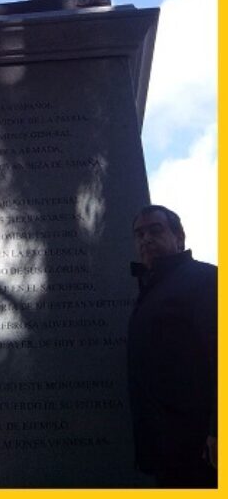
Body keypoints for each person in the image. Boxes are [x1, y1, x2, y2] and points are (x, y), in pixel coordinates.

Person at [128, 205, 217, 487]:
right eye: (139, 234)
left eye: (155, 230)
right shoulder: (150, 289)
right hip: (164, 446)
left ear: (179, 237)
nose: (146, 239)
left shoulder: (204, 279)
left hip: (199, 446)